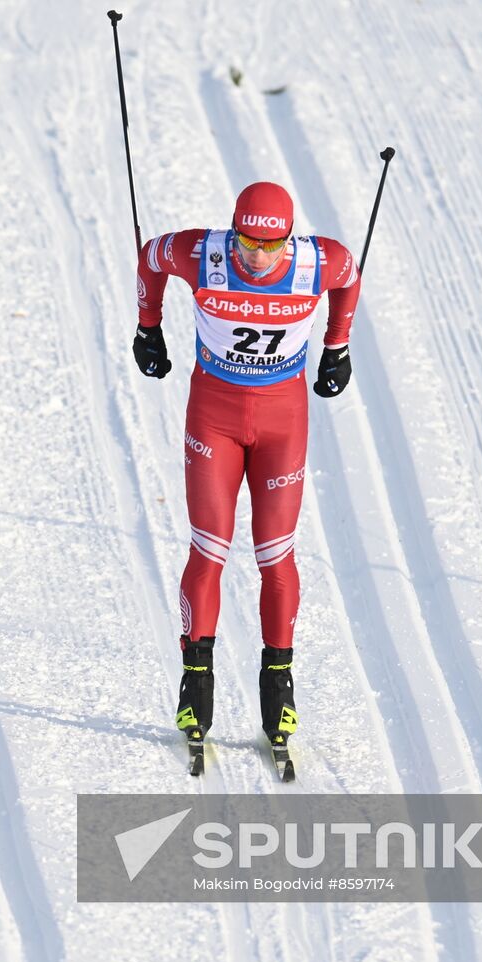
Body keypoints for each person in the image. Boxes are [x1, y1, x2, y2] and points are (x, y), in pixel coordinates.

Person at [132, 181, 360, 755]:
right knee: (209, 548)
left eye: (272, 245)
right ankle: (196, 680)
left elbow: (351, 275)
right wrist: (148, 326)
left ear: (290, 237)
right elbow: (150, 256)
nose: (259, 257)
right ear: (233, 231)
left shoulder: (317, 261)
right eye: (248, 243)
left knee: (275, 555)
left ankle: (278, 683)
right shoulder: (203, 254)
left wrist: (337, 346)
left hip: (283, 423)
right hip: (215, 417)